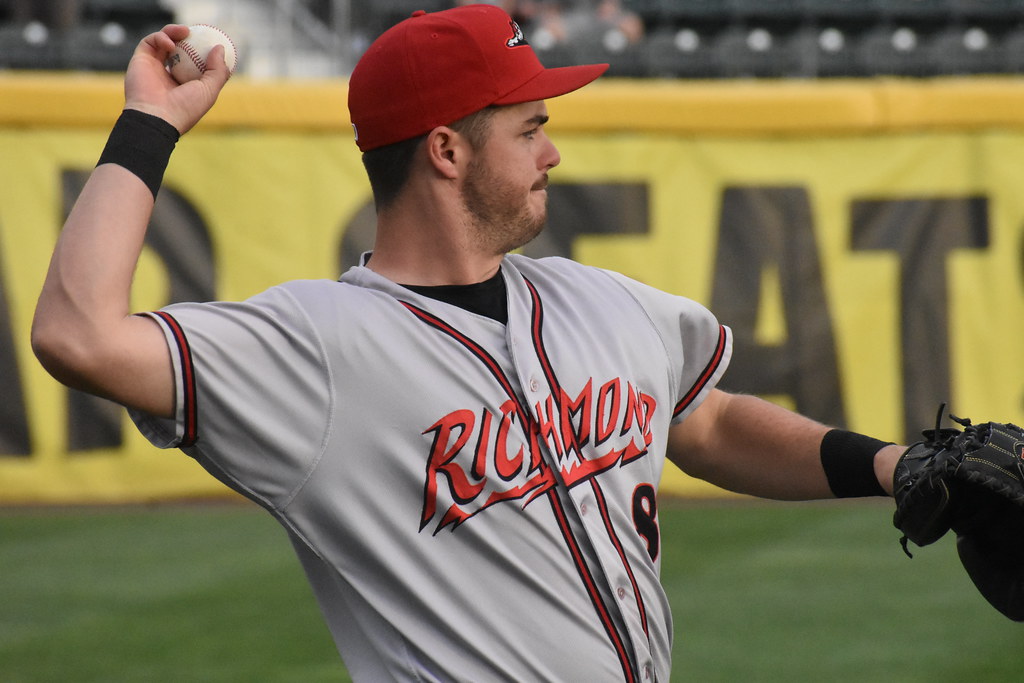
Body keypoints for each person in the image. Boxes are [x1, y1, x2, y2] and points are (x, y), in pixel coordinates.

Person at [32, 5, 906, 681]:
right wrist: (150, 121)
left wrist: (889, 465)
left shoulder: (597, 299)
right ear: (446, 150)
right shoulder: (317, 350)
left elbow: (704, 421)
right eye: (529, 128)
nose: (552, 153)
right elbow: (78, 334)